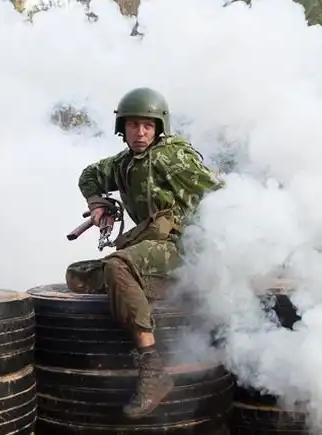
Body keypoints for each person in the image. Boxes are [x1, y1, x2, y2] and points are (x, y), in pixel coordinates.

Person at [66, 87, 222, 419]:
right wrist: (99, 204)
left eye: (148, 126)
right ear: (122, 129)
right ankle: (144, 291)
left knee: (118, 266)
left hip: (184, 249)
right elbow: (89, 175)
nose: (140, 133)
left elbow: (219, 194)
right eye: (133, 125)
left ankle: (152, 367)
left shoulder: (172, 157)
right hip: (152, 248)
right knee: (79, 276)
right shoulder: (123, 163)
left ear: (159, 128)